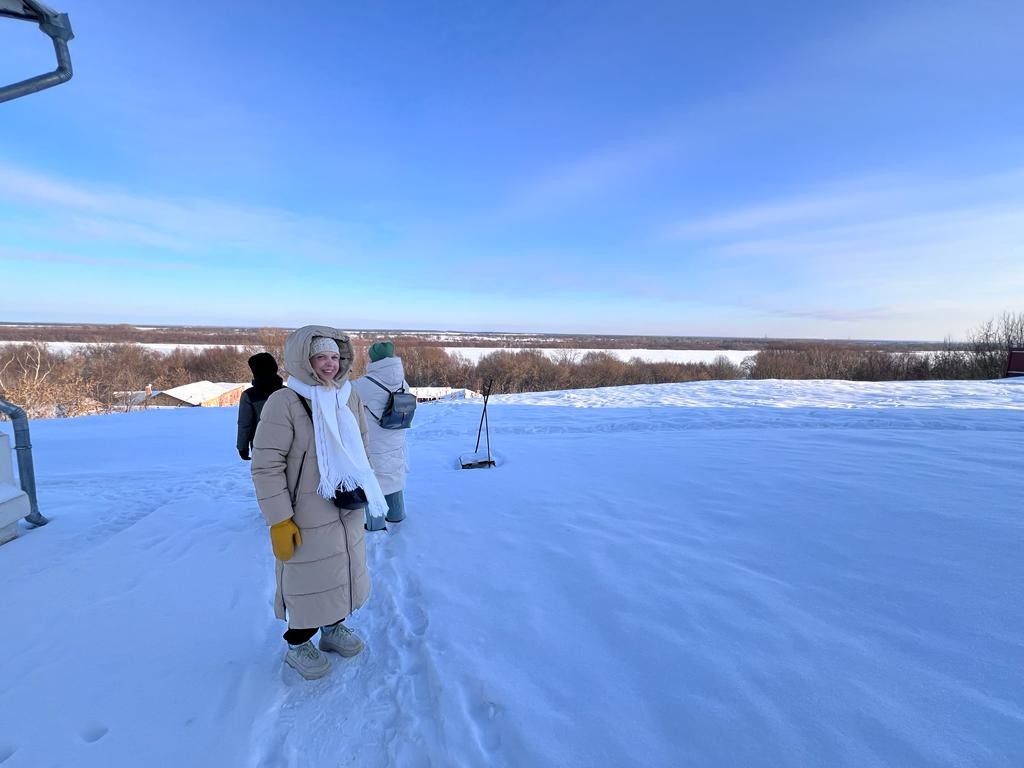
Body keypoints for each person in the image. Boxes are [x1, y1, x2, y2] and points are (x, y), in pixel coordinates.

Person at [250, 325, 388, 680]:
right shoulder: (285, 401)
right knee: (307, 580)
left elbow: (362, 442)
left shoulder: (348, 396)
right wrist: (279, 519)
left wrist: (366, 485)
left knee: (339, 572)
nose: (329, 364)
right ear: (304, 360)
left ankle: (332, 629)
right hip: (304, 513)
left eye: (335, 357)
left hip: (346, 504)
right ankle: (297, 644)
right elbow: (266, 466)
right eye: (321, 357)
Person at [354, 340, 410, 531]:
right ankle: (396, 515)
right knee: (394, 477)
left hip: (375, 445)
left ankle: (375, 524)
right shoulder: (403, 382)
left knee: (374, 483)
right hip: (397, 441)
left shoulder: (364, 385)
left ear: (373, 359)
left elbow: (344, 396)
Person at [236, 352, 284, 461]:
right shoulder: (288, 392)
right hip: (289, 444)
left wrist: (242, 447)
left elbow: (245, 424)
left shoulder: (249, 395)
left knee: (265, 476)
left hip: (261, 446)